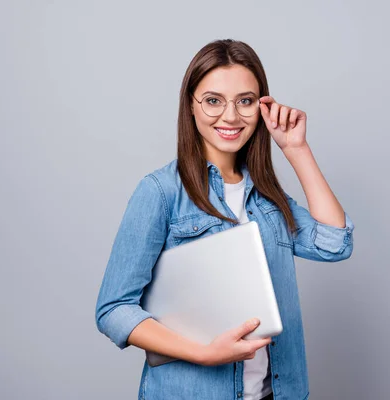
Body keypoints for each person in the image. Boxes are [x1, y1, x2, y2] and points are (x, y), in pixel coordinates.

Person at [95, 38, 355, 400]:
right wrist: (203, 353)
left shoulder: (267, 197)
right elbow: (114, 309)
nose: (231, 117)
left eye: (245, 101)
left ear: (261, 106)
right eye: (214, 100)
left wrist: (296, 148)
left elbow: (334, 243)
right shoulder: (160, 192)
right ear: (191, 104)